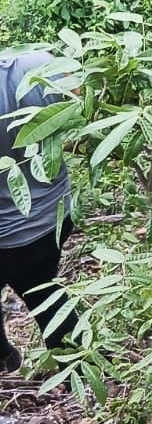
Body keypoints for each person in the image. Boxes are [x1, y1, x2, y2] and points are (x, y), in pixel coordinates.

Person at [1, 50, 78, 372]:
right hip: (50, 219)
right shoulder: (37, 65)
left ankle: (4, 356)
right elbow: (78, 126)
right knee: (45, 294)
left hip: (16, 231)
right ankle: (82, 375)